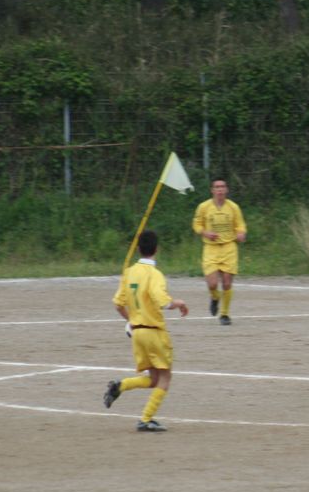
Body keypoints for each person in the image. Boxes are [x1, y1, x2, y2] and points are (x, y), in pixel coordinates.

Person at [103, 230, 189, 432]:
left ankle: (121, 386)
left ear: (138, 249)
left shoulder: (129, 272)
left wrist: (132, 320)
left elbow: (118, 304)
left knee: (154, 379)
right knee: (165, 377)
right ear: (156, 249)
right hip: (154, 332)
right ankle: (146, 419)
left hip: (137, 334)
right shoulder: (154, 274)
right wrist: (179, 303)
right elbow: (163, 302)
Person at [192, 177, 247, 326]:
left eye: (222, 187)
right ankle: (215, 297)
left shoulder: (233, 207)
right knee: (212, 284)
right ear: (212, 190)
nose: (220, 189)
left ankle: (224, 314)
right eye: (217, 187)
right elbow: (196, 224)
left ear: (226, 190)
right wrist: (205, 233)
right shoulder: (204, 207)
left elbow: (240, 225)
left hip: (229, 247)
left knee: (227, 283)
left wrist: (241, 233)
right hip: (211, 248)